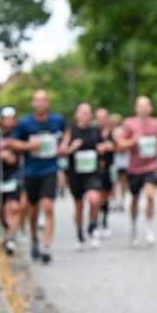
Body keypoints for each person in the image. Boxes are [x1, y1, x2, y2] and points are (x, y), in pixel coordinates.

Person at [7, 89, 65, 264]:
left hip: (50, 170)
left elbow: (67, 133)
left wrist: (64, 145)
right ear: (33, 104)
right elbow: (13, 143)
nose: (40, 104)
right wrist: (29, 146)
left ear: (48, 103)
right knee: (32, 210)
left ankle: (47, 247)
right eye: (37, 101)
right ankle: (34, 239)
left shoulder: (57, 120)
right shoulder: (25, 123)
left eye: (43, 100)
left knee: (48, 206)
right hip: (31, 172)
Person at [61, 102, 112, 250]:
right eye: (82, 112)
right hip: (76, 174)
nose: (85, 115)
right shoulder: (71, 130)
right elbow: (61, 150)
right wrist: (72, 147)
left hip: (92, 173)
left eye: (88, 112)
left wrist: (104, 147)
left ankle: (92, 227)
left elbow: (107, 145)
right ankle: (79, 235)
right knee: (79, 206)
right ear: (76, 115)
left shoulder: (96, 130)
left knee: (94, 200)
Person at [116, 96, 157, 246]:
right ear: (136, 108)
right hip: (134, 168)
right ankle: (134, 227)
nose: (143, 109)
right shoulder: (129, 123)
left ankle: (149, 228)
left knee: (150, 195)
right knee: (135, 199)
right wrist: (132, 141)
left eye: (146, 105)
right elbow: (120, 145)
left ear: (151, 108)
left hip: (151, 166)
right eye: (140, 106)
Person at [0, 106, 24, 255]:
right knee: (1, 211)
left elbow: (28, 147)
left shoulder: (20, 133)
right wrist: (0, 155)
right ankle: (8, 230)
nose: (9, 121)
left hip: (15, 174)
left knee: (13, 207)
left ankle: (10, 238)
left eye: (11, 118)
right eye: (6, 118)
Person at [95, 106, 116, 238]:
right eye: (99, 118)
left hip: (109, 168)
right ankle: (95, 222)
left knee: (107, 195)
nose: (101, 120)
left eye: (103, 117)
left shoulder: (112, 133)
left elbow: (119, 146)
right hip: (95, 169)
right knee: (97, 196)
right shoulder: (93, 132)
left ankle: (105, 221)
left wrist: (111, 146)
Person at [110, 113, 129, 212]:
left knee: (123, 181)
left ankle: (122, 201)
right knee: (113, 181)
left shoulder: (123, 131)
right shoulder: (108, 132)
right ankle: (113, 201)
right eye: (112, 121)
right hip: (113, 161)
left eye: (115, 121)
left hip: (123, 161)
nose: (114, 123)